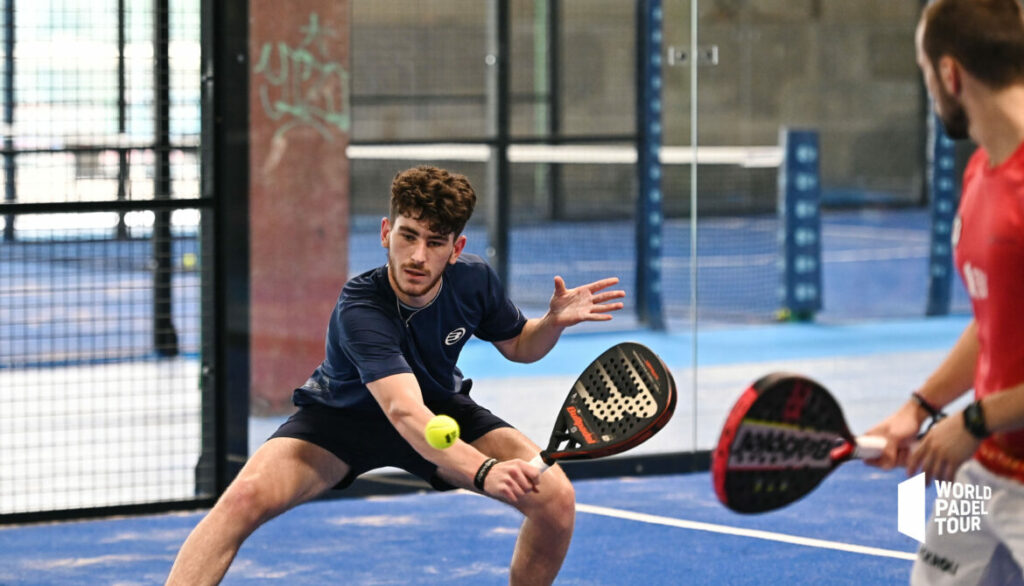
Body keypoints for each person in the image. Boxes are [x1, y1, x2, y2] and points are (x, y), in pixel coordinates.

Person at [165, 165, 625, 585]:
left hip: (439, 411)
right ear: (387, 233)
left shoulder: (474, 281)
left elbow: (520, 346)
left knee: (555, 499)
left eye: (435, 241)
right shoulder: (360, 306)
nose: (417, 256)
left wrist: (552, 325)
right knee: (242, 500)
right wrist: (483, 471)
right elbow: (402, 410)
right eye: (408, 236)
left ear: (456, 248)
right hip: (341, 421)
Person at [865, 0, 1024, 583]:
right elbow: (997, 316)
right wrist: (921, 408)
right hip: (989, 468)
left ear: (950, 74)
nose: (931, 86)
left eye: (926, 72)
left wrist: (973, 421)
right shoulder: (981, 173)